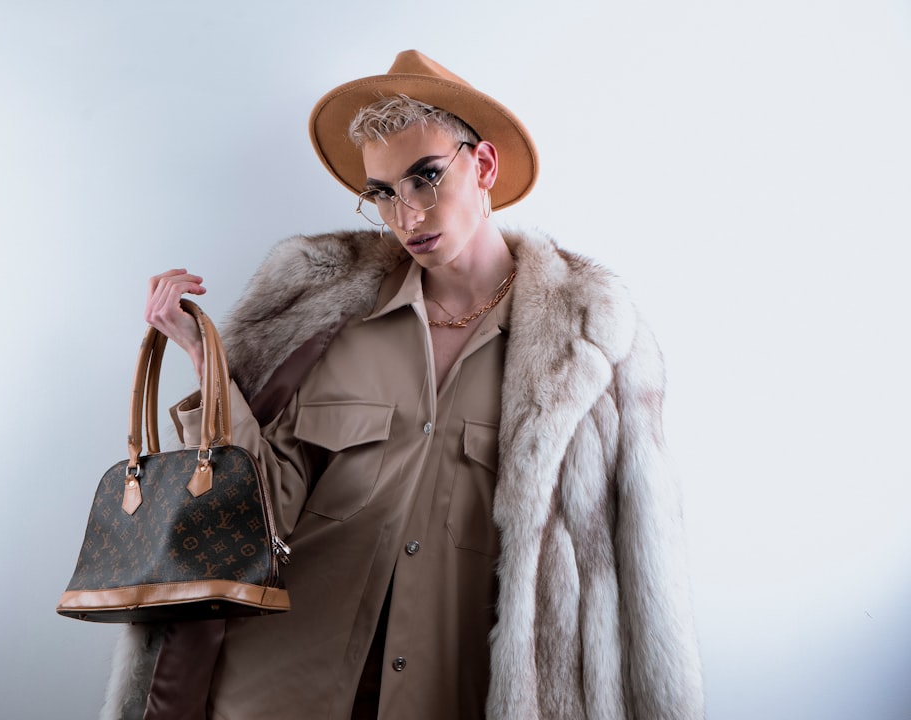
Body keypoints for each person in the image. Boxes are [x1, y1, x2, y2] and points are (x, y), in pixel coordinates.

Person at [102, 50, 705, 720]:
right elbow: (262, 508)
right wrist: (201, 358)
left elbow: (632, 570)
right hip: (282, 687)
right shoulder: (326, 315)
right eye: (383, 193)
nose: (407, 214)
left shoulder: (586, 348)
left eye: (425, 178)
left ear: (483, 166)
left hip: (456, 691)